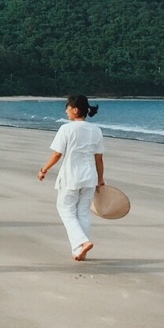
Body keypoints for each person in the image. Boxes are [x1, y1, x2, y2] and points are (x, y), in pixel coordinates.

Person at [37, 95, 105, 262]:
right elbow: (99, 158)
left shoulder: (66, 129)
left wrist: (44, 169)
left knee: (66, 210)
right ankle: (79, 250)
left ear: (75, 110)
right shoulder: (96, 130)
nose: (66, 111)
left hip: (71, 177)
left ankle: (82, 242)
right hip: (90, 177)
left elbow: (57, 154)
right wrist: (101, 179)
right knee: (83, 212)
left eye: (67, 108)